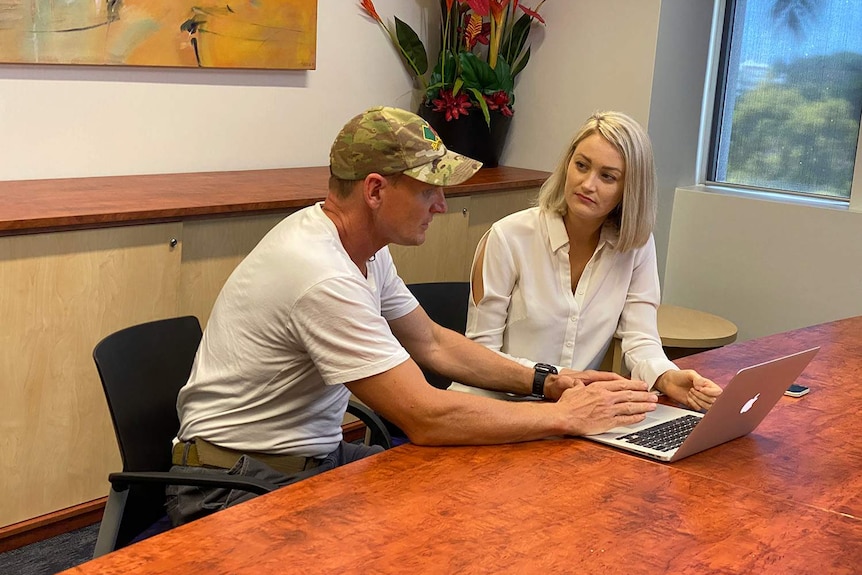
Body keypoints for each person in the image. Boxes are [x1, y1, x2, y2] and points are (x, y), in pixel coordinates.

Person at [167, 106, 658, 527]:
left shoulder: (362, 249)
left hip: (304, 459)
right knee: (426, 537)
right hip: (231, 486)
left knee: (449, 504)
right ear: (376, 191)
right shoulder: (323, 276)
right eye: (429, 190)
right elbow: (425, 415)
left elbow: (432, 343)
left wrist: (547, 382)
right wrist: (561, 418)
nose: (441, 205)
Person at [451, 111, 722, 409]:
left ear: (629, 189)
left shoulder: (635, 247)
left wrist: (668, 377)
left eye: (607, 176)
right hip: (492, 407)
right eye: (581, 166)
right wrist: (555, 380)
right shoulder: (508, 237)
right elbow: (480, 355)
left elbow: (640, 339)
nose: (587, 184)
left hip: (571, 414)